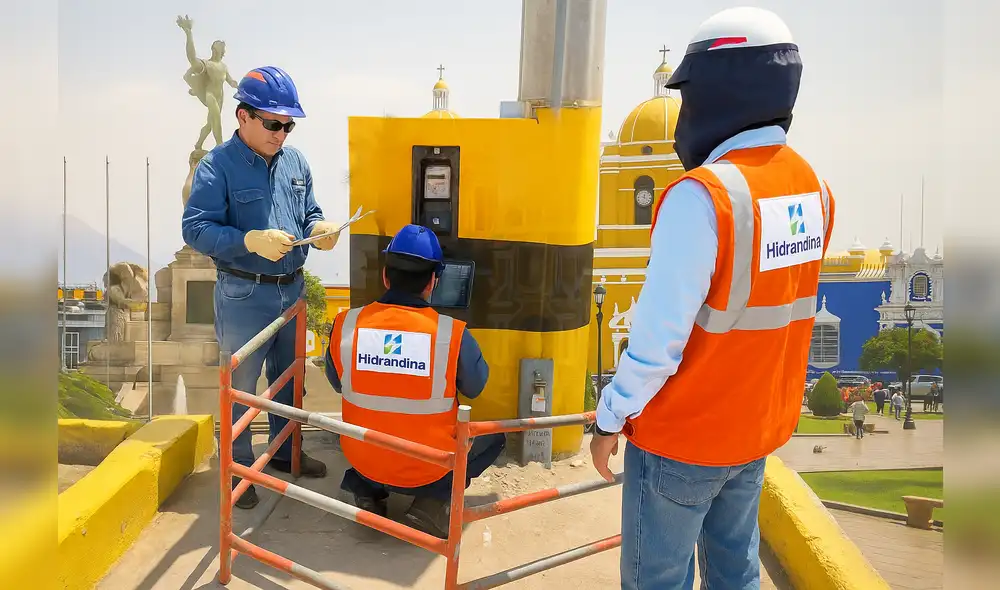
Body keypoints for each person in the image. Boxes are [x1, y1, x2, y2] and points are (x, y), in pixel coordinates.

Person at [588, 8, 835, 589]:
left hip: (684, 436)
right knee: (734, 573)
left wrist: (609, 417)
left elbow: (658, 342)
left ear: (720, 89)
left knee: (658, 580)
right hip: (754, 434)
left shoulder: (702, 196)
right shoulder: (814, 190)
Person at [182, 66, 343, 510]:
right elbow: (195, 229)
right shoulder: (218, 166)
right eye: (273, 123)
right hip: (244, 293)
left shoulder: (296, 162)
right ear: (243, 116)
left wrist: (320, 229)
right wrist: (247, 241)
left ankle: (286, 452)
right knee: (242, 388)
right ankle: (238, 467)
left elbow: (309, 212)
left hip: (291, 289)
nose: (281, 134)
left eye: (288, 125)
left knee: (290, 380)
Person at [325, 224, 505, 539]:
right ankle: (431, 504)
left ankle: (366, 492)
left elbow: (337, 381)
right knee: (494, 437)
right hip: (428, 469)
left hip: (363, 458)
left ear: (385, 276)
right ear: (433, 282)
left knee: (372, 428)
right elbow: (476, 387)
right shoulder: (451, 334)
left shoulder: (346, 324)